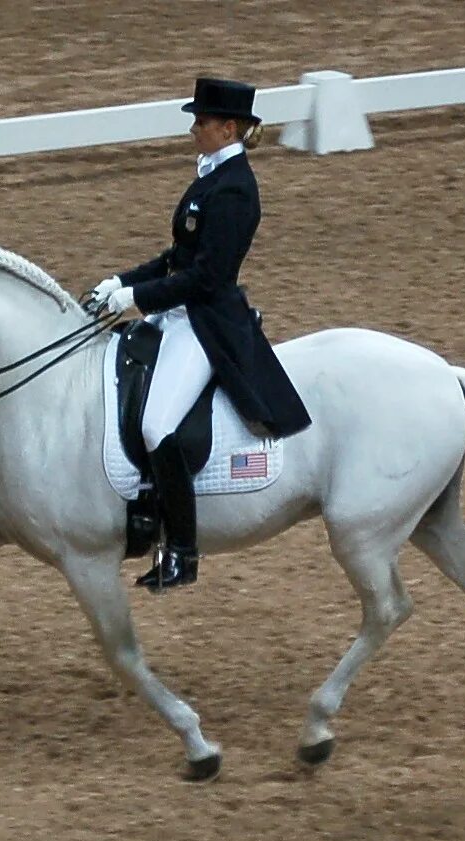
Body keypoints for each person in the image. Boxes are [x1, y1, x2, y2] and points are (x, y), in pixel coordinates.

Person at [92, 77, 312, 591]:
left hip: (206, 323)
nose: (194, 129)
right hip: (179, 312)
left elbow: (208, 278)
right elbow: (177, 258)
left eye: (202, 121)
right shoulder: (211, 176)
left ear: (229, 127)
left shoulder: (235, 189)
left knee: (157, 426)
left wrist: (137, 300)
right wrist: (121, 282)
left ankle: (182, 553)